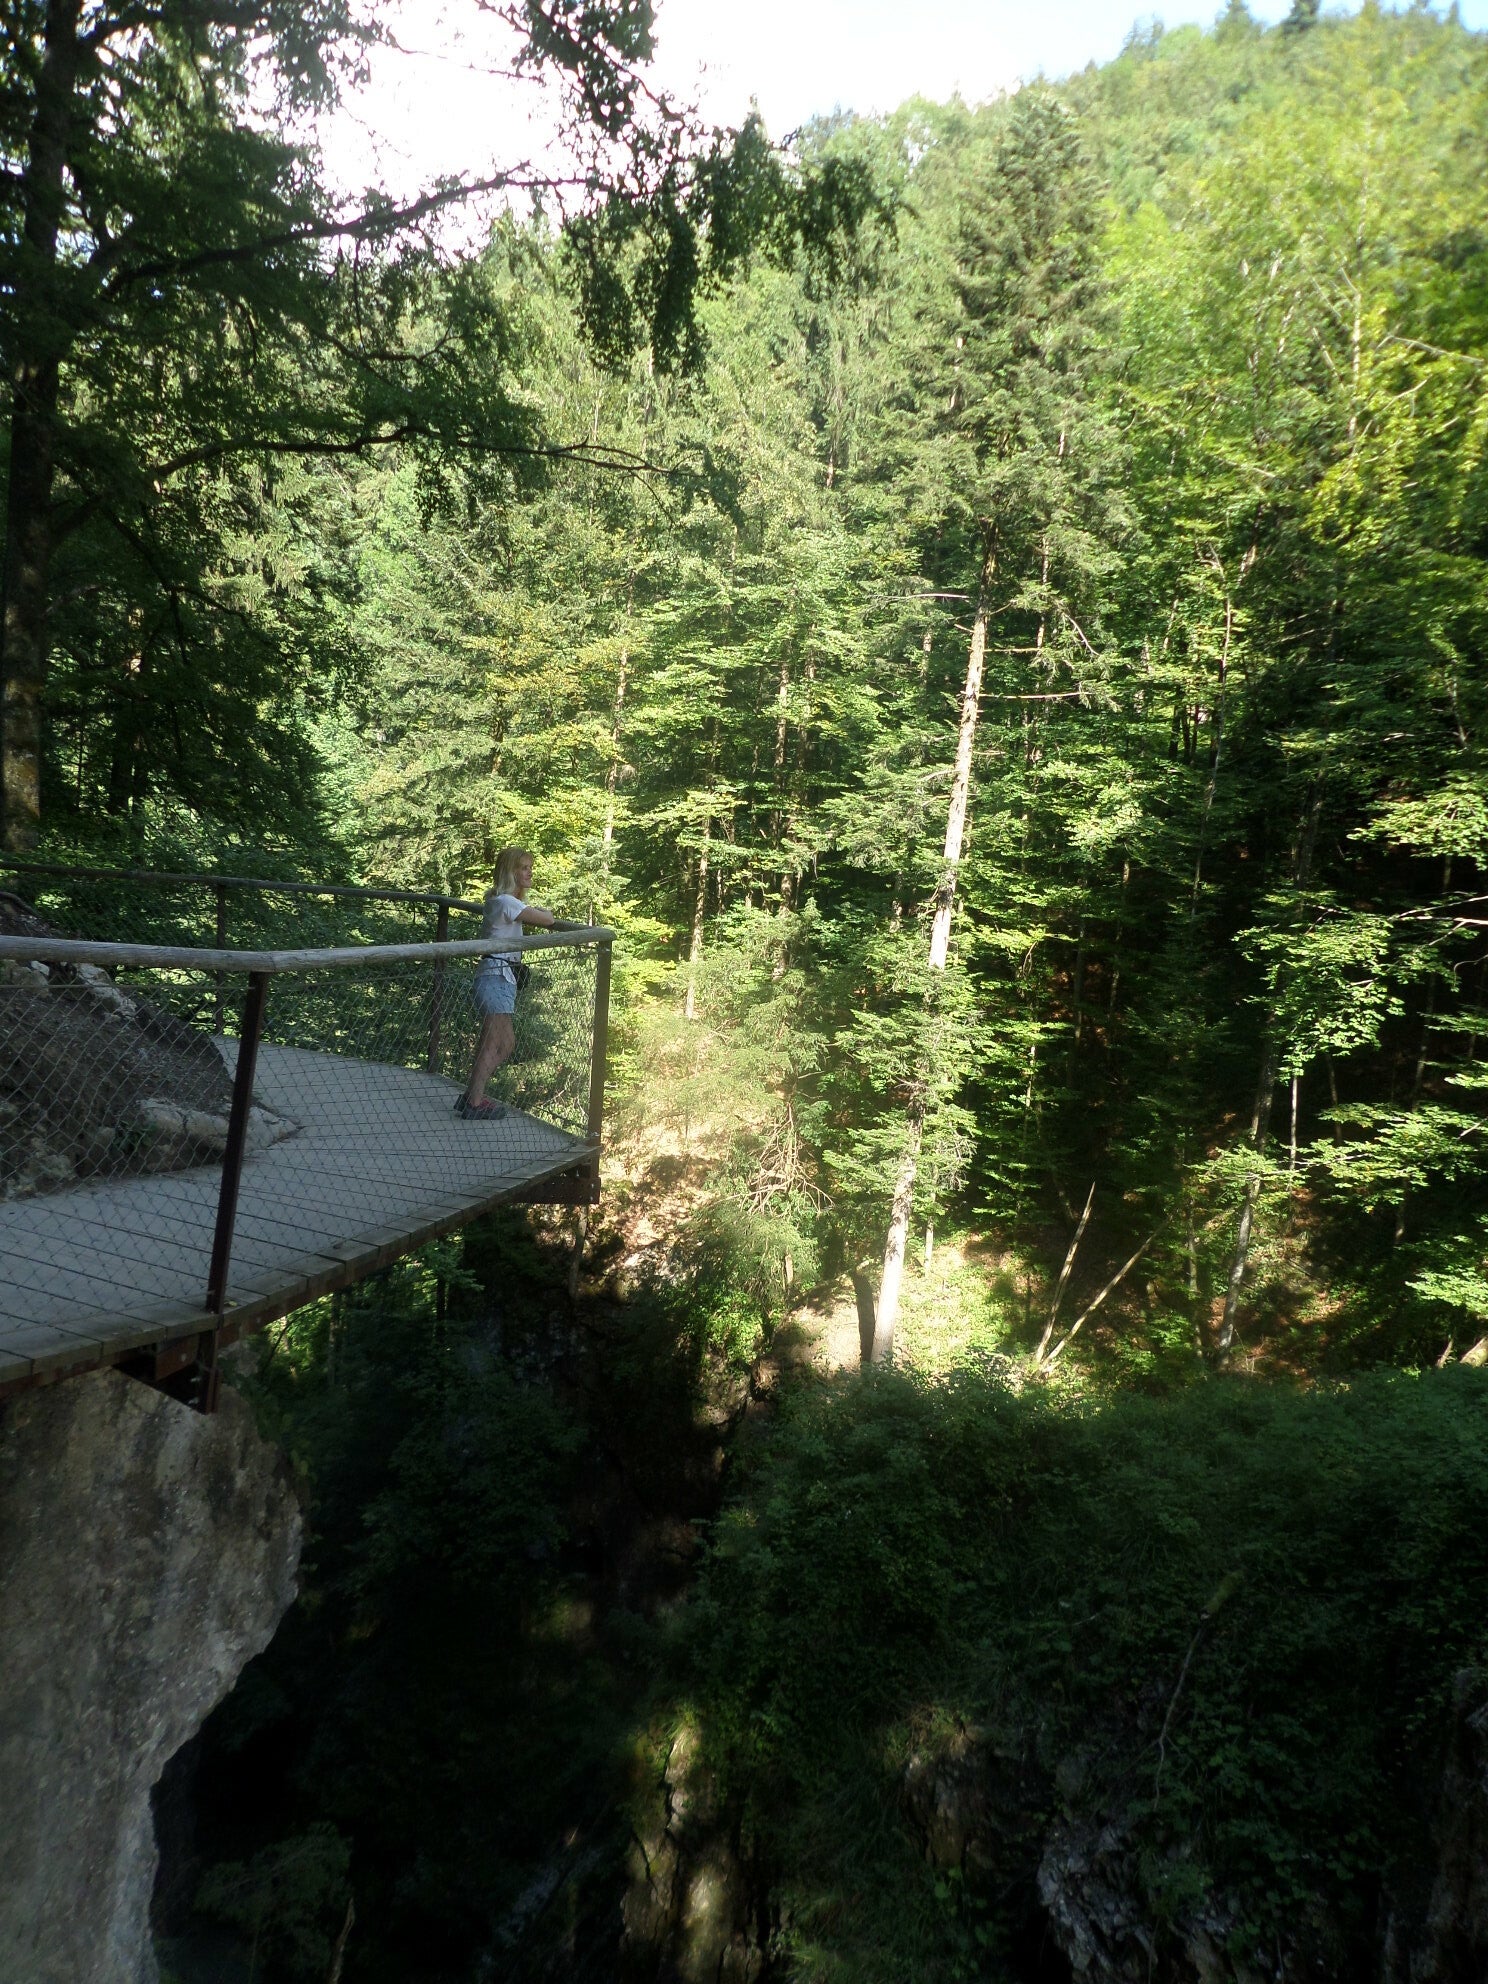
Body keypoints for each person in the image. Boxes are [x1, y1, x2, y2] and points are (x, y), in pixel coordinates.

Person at [456, 847, 556, 1120]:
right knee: (498, 1043)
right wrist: (546, 911)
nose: (529, 872)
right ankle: (474, 1102)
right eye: (524, 868)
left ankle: (472, 1096)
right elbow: (547, 920)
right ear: (511, 873)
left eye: (530, 867)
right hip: (497, 977)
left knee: (498, 1043)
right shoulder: (507, 902)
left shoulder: (499, 901)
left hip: (498, 976)